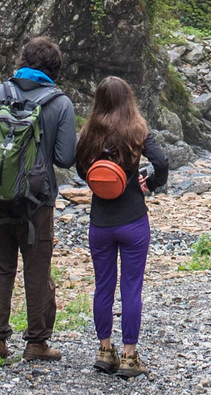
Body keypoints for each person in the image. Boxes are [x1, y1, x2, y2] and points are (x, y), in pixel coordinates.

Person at [0, 35, 76, 363]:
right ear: (55, 70)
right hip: (37, 201)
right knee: (36, 267)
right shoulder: (60, 104)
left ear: (22, 60)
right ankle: (36, 343)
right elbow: (65, 158)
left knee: (1, 267)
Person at [73, 74, 170, 378]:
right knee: (131, 287)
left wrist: (99, 182)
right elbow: (163, 163)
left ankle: (104, 351)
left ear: (98, 100)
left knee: (103, 286)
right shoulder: (137, 130)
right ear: (129, 99)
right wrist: (149, 183)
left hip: (100, 221)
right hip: (133, 219)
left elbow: (79, 169)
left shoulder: (88, 133)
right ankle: (129, 356)